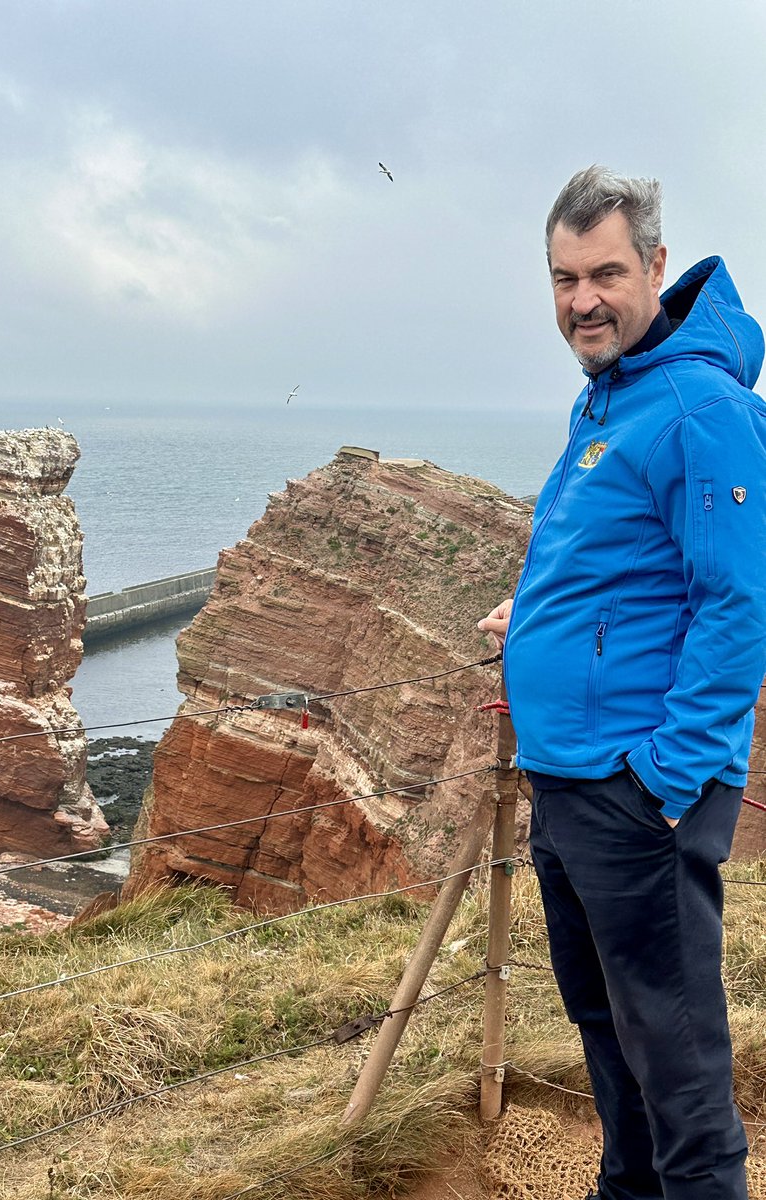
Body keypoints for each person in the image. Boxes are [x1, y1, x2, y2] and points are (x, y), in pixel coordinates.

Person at [478, 165, 766, 1200]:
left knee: (679, 1066)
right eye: (562, 278)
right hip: (573, 785)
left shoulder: (697, 406)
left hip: (634, 793)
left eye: (604, 273)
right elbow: (621, 563)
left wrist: (663, 782)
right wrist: (537, 621)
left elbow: (739, 604)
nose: (581, 301)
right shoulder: (611, 395)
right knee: (611, 1039)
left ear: (654, 265)